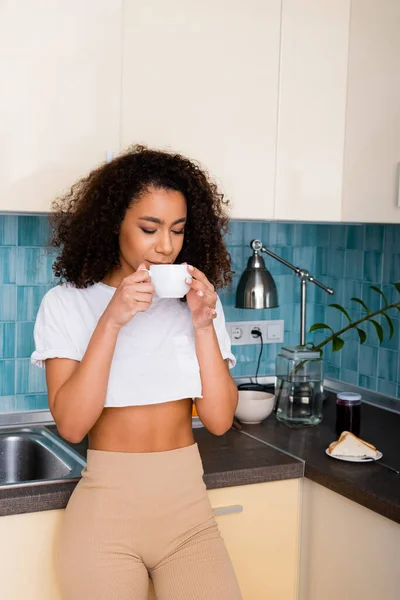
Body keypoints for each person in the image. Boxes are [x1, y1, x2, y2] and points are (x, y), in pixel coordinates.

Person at [31, 145, 243, 600]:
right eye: (149, 228)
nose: (165, 246)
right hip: (105, 518)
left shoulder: (200, 304)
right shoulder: (67, 303)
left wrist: (204, 325)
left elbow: (221, 420)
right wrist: (112, 318)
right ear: (115, 224)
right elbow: (71, 424)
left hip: (189, 516)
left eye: (177, 230)